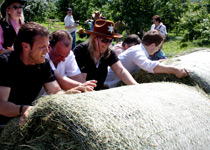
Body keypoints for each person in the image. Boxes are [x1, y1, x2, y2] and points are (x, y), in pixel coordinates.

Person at [0, 22, 92, 128]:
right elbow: (1, 104)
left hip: (22, 122)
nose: (47, 50)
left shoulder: (43, 65)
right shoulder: (6, 63)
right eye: (42, 47)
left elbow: (55, 91)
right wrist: (24, 109)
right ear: (25, 46)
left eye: (47, 46)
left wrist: (67, 94)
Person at [104, 30, 189, 88]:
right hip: (106, 84)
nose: (158, 50)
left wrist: (157, 62)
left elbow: (147, 63)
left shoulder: (139, 50)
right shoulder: (137, 51)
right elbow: (148, 66)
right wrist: (175, 70)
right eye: (158, 47)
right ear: (152, 45)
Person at [73, 19, 138, 90]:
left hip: (99, 91)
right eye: (105, 40)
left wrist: (136, 86)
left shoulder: (109, 52)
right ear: (95, 38)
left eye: (111, 40)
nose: (108, 44)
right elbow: (80, 79)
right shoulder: (81, 51)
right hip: (83, 92)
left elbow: (120, 71)